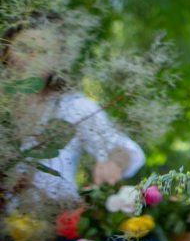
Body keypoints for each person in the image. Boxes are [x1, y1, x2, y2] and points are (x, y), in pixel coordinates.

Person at [1, 12, 145, 206]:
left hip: (55, 226)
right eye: (24, 48)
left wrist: (114, 163)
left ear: (57, 61)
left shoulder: (73, 107)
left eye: (43, 52)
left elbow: (126, 149)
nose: (33, 57)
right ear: (6, 51)